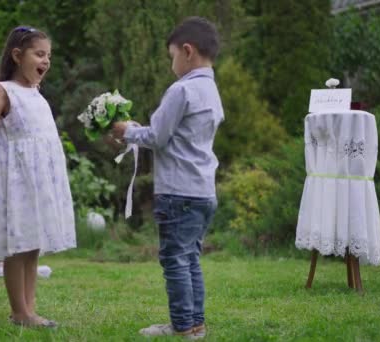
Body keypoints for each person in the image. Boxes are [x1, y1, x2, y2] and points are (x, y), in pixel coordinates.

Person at [112, 16, 224, 339]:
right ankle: (194, 323)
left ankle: (183, 327)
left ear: (187, 51)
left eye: (172, 55)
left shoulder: (182, 89)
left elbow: (158, 136)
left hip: (178, 191)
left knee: (175, 259)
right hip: (203, 191)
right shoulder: (211, 90)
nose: (171, 63)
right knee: (190, 259)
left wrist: (127, 131)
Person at [0, 26, 76, 328]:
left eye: (49, 56)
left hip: (38, 180)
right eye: (39, 54)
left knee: (32, 243)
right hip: (16, 179)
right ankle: (19, 311)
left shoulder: (36, 93)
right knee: (17, 245)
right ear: (17, 55)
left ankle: (29, 309)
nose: (46, 61)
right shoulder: (3, 90)